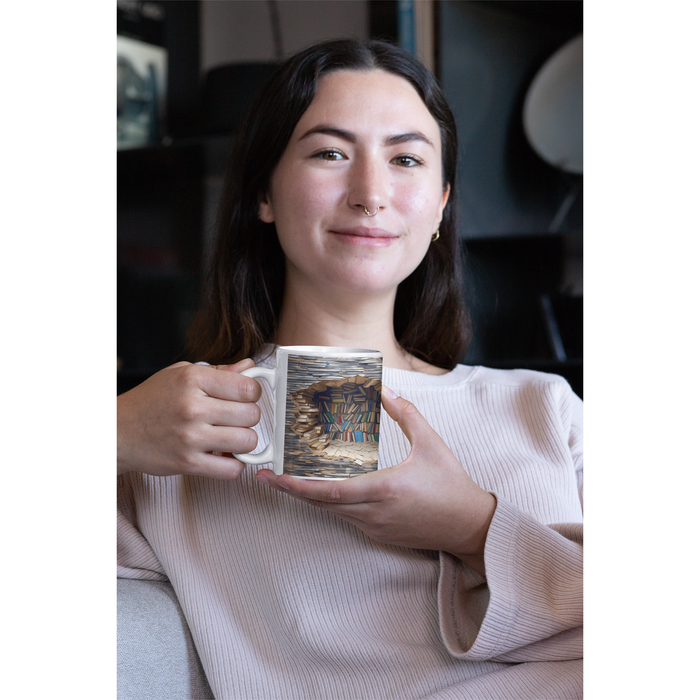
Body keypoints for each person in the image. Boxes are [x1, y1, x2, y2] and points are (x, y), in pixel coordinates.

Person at [118, 39, 582, 699]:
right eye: (330, 152)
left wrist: (473, 527)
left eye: (406, 159)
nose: (370, 194)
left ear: (442, 202)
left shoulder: (542, 405)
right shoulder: (185, 429)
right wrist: (115, 431)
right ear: (264, 193)